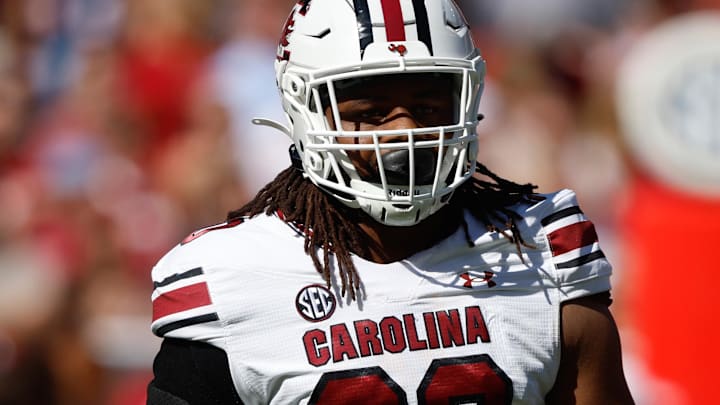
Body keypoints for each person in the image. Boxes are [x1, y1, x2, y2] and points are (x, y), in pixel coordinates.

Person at [146, 0, 635, 403]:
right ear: (306, 112)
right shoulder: (229, 277)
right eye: (372, 112)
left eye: (425, 107)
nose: (404, 132)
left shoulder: (541, 249)